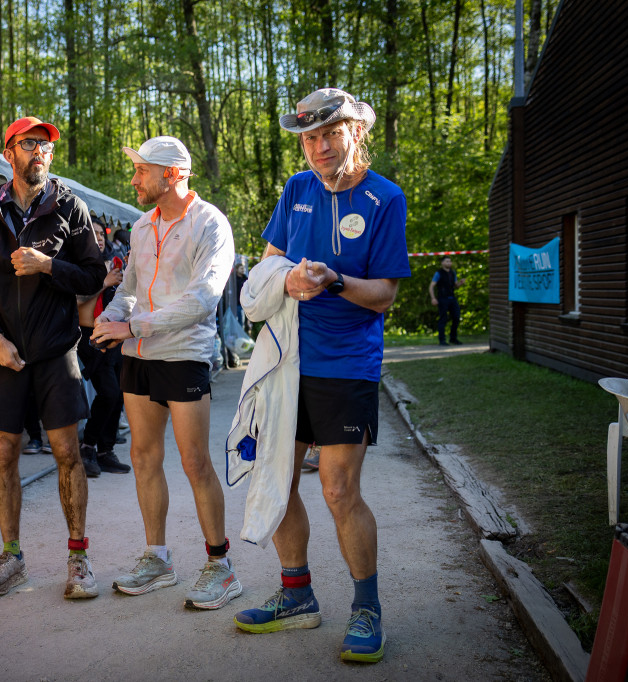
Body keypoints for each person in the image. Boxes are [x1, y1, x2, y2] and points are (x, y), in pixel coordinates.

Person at [231, 88, 410, 663]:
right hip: (288, 360)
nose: (317, 147)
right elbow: (266, 266)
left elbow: (383, 295)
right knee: (276, 480)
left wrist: (333, 281)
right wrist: (286, 281)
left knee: (337, 489)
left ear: (356, 131)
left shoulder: (385, 198)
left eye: (329, 133)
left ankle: (367, 608)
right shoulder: (297, 189)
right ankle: (296, 595)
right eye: (309, 137)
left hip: (347, 364)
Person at [0, 116, 107, 599]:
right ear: (9, 153)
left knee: (68, 453)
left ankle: (79, 559)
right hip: (3, 355)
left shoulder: (71, 208)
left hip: (56, 352)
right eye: (30, 144)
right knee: (3, 452)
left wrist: (49, 266)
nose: (40, 152)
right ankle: (12, 555)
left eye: (45, 146)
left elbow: (92, 276)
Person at [91, 136, 240, 610]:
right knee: (142, 456)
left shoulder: (210, 223)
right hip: (138, 354)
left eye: (141, 171)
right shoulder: (139, 227)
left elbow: (202, 301)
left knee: (195, 461)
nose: (134, 179)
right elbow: (128, 290)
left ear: (172, 174)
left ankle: (221, 565)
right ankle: (158, 558)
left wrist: (130, 324)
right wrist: (108, 317)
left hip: (183, 355)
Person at [76, 217, 130, 477]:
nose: (98, 237)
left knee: (118, 394)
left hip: (115, 334)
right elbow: (76, 302)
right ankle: (87, 447)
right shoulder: (81, 266)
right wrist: (104, 282)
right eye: (93, 232)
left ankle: (105, 451)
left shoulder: (112, 262)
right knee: (108, 392)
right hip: (88, 336)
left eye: (101, 233)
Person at [429, 256, 465, 346]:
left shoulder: (453, 273)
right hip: (442, 298)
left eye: (450, 261)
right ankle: (442, 340)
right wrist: (433, 298)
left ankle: (453, 338)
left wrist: (460, 283)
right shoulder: (439, 273)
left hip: (452, 298)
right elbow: (431, 286)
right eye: (447, 261)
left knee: (456, 317)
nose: (449, 263)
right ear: (442, 263)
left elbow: (456, 285)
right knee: (443, 319)